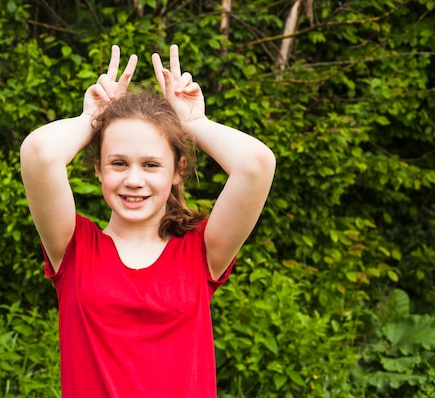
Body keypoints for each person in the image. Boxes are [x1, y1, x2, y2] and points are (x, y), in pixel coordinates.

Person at [20, 44, 276, 398]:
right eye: (119, 163)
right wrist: (88, 120)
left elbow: (257, 165)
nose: (134, 180)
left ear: (177, 170)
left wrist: (195, 124)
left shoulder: (202, 251)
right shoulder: (73, 246)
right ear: (98, 168)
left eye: (151, 164)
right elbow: (39, 154)